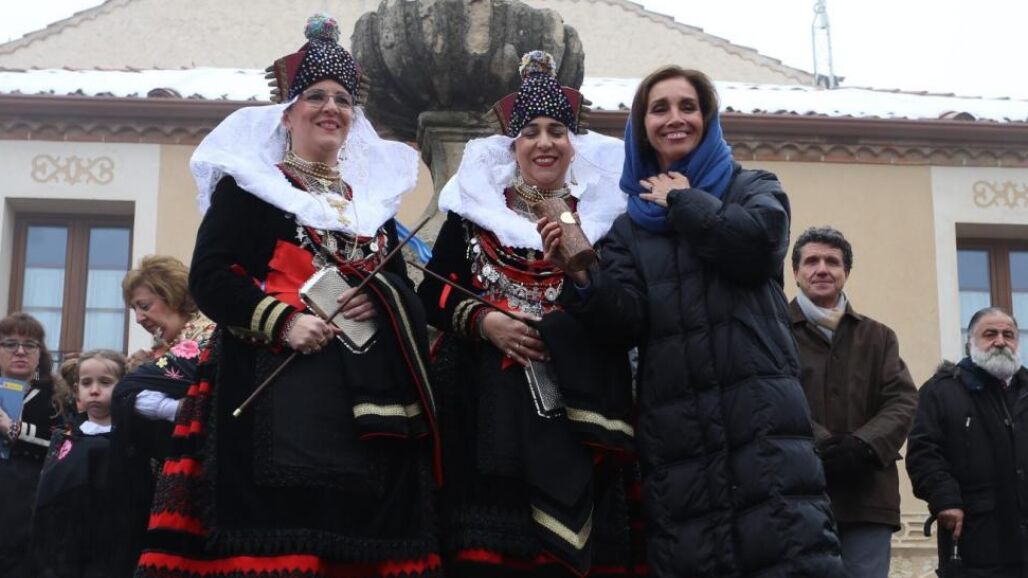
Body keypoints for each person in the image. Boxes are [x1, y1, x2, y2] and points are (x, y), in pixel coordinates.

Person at [135, 14, 441, 578]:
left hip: (364, 397)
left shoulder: (370, 205)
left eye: (343, 100)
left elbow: (401, 284)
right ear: (288, 112)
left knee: (356, 539)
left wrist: (383, 299)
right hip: (271, 384)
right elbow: (210, 278)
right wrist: (282, 321)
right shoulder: (250, 188)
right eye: (316, 96)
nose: (331, 108)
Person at [539, 65, 845, 577]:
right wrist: (584, 277)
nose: (674, 118)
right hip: (679, 438)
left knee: (786, 554)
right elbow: (624, 322)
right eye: (659, 109)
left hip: (761, 422)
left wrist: (682, 200)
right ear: (642, 129)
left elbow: (757, 248)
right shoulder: (630, 230)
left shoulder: (752, 187)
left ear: (708, 118)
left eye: (688, 106)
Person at [417, 51, 638, 576]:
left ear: (572, 144)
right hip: (482, 409)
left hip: (580, 410)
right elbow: (432, 293)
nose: (544, 143)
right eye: (531, 132)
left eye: (557, 131)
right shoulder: (474, 216)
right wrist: (485, 321)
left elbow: (625, 317)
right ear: (512, 145)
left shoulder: (606, 221)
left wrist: (581, 274)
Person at [788, 226, 918, 578]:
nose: (822, 269)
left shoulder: (879, 337)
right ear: (796, 272)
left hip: (868, 497)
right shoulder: (774, 332)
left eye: (832, 262)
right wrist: (821, 443)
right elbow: (769, 399)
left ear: (845, 272)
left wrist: (864, 445)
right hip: (795, 495)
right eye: (811, 261)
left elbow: (902, 399)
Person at [110, 255, 215, 576]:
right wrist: (178, 409)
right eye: (134, 310)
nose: (139, 318)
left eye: (145, 306)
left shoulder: (206, 338)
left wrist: (172, 409)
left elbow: (125, 392)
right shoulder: (169, 349)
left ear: (172, 296)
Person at [906, 307, 1028, 578]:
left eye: (1008, 335)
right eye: (990, 334)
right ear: (969, 343)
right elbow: (924, 453)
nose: (1000, 341)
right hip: (975, 537)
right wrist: (944, 498)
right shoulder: (941, 391)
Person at [31, 349, 127, 578]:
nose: (94, 390)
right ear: (76, 390)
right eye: (86, 383)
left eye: (105, 382)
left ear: (124, 387)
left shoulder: (129, 439)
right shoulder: (65, 437)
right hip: (64, 554)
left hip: (112, 551)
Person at [0, 312, 61, 578]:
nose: (20, 351)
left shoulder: (56, 395)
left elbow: (64, 444)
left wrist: (14, 429)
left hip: (30, 507)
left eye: (30, 344)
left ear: (40, 354)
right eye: (10, 344)